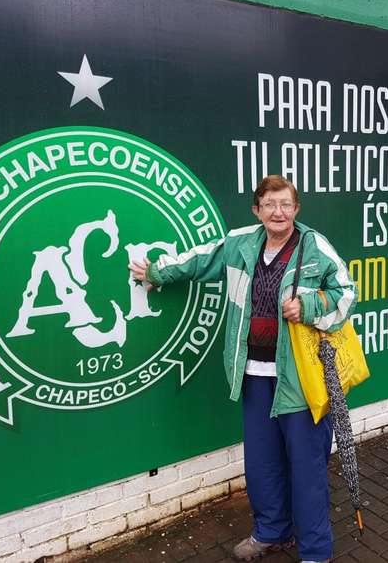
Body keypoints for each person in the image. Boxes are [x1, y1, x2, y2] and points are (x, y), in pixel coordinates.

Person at [128, 175, 358, 563]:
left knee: (307, 466)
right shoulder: (240, 243)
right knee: (262, 462)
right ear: (257, 210)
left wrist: (309, 307)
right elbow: (199, 260)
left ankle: (316, 550)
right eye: (269, 204)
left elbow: (347, 293)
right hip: (252, 373)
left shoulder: (314, 247)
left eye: (285, 204)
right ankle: (272, 531)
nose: (278, 212)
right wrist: (155, 274)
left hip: (301, 378)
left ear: (296, 209)